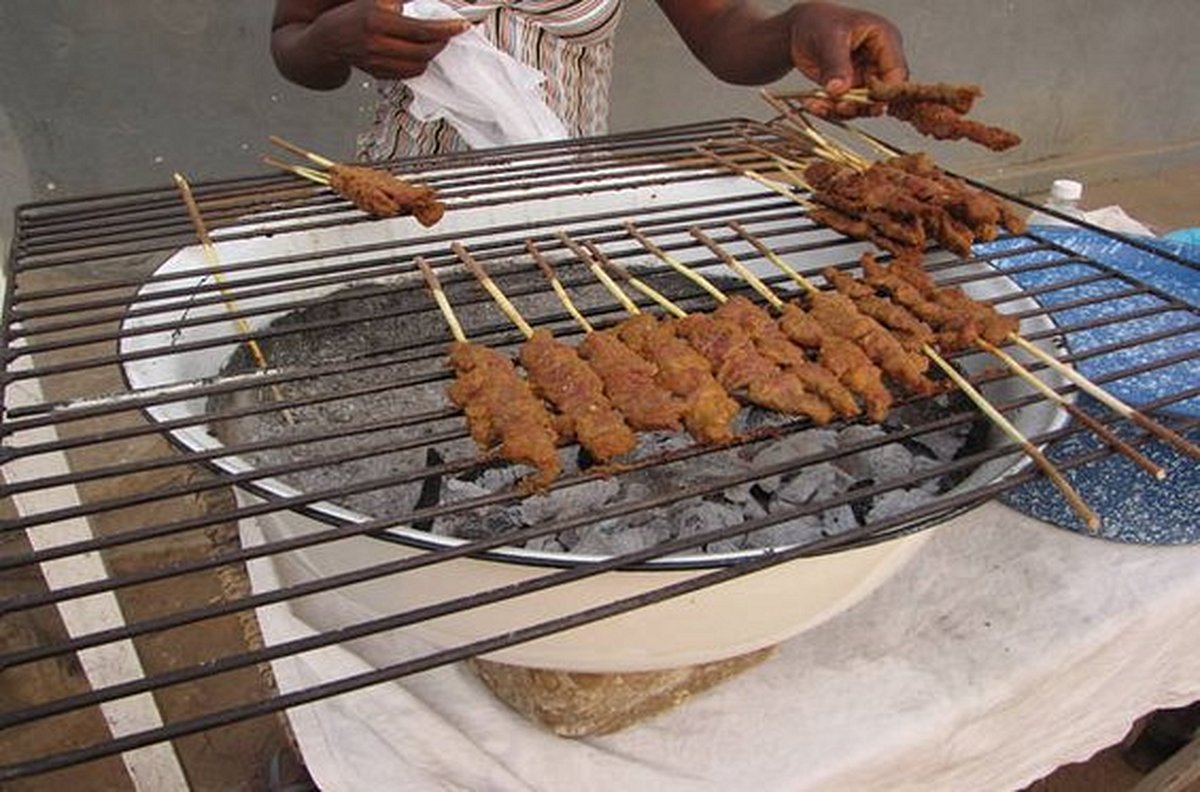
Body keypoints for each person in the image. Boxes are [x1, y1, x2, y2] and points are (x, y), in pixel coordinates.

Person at [271, 0, 907, 161]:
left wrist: (799, 23)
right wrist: (332, 40)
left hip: (568, 192)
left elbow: (726, 35)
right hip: (408, 193)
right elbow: (292, 39)